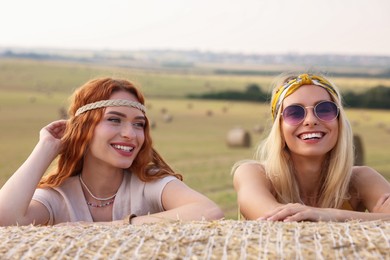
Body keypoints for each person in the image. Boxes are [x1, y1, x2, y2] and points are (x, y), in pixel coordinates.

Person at [0, 77, 224, 226]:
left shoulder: (149, 184)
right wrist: (46, 148)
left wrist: (117, 227)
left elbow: (209, 211)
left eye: (138, 124)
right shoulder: (59, 197)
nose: (130, 134)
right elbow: (5, 220)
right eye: (114, 120)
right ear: (84, 127)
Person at [233, 73, 390, 222]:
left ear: (339, 122)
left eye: (325, 110)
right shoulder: (253, 173)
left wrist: (331, 215)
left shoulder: (361, 179)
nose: (311, 120)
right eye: (294, 113)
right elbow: (275, 219)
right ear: (279, 128)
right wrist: (376, 219)